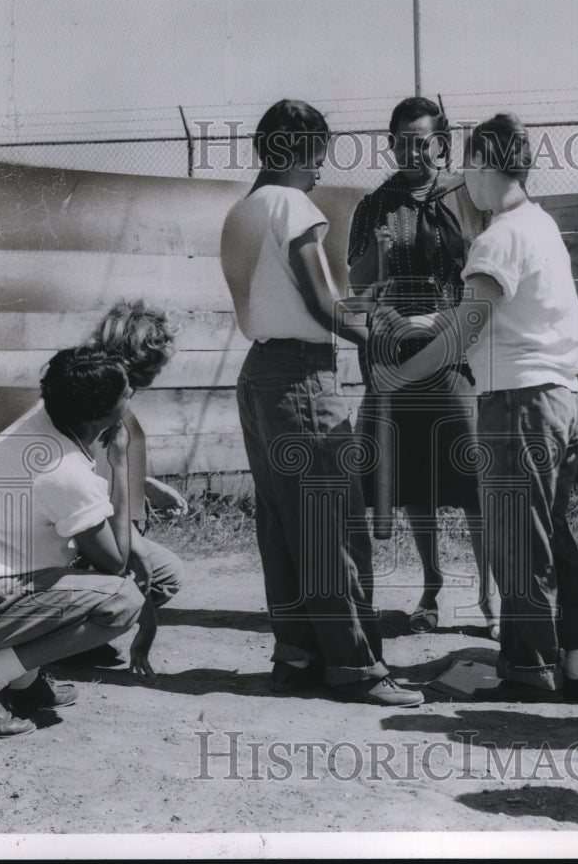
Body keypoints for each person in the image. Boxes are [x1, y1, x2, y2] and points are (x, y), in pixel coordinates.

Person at [372, 113, 578, 704]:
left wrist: (398, 370)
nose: (461, 178)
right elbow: (483, 313)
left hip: (520, 404)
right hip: (559, 398)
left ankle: (529, 669)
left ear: (481, 164)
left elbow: (460, 338)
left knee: (517, 543)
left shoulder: (497, 236)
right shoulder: (539, 225)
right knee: (551, 536)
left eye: (466, 165)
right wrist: (421, 321)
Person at [220, 98, 423, 706]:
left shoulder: (241, 211)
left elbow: (296, 301)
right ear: (302, 150)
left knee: (284, 527)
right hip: (304, 379)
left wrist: (365, 311)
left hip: (260, 377)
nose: (320, 168)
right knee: (334, 527)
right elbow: (319, 304)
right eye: (318, 153)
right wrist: (382, 337)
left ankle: (297, 656)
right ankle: (357, 668)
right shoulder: (293, 205)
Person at [0, 347, 146, 737]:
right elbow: (115, 564)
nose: (132, 393)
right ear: (102, 413)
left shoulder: (43, 420)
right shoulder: (64, 470)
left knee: (121, 565)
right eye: (126, 391)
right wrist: (119, 461)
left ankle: (23, 682)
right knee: (122, 600)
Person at [347, 95, 499, 638]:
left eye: (424, 141)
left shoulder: (470, 198)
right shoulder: (373, 206)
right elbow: (359, 290)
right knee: (412, 480)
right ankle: (432, 588)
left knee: (474, 474)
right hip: (397, 356)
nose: (414, 151)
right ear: (389, 144)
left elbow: (487, 276)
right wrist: (380, 268)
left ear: (441, 142)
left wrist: (450, 322)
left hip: (456, 351)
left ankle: (489, 595)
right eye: (403, 141)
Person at [81, 299, 184, 675]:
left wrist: (147, 483)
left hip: (112, 524)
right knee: (164, 575)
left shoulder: (118, 392)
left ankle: (82, 635)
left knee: (161, 573)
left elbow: (113, 460)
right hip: (93, 530)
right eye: (158, 356)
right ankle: (63, 640)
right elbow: (85, 477)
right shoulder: (103, 398)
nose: (162, 366)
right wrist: (132, 546)